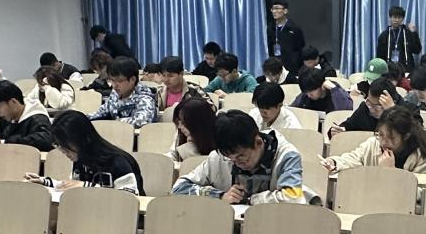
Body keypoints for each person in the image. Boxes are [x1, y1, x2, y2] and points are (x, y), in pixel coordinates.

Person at [172, 109, 312, 205]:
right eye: (230, 158)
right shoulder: (220, 157)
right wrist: (220, 195)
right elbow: (179, 188)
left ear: (258, 142)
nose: (236, 163)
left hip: (275, 225)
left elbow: (293, 198)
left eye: (242, 157)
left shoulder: (287, 156)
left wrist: (250, 200)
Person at [29, 111, 142, 192]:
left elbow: (128, 198)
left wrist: (87, 187)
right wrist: (44, 182)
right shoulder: (80, 159)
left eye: (66, 146)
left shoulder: (118, 162)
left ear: (83, 139)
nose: (64, 152)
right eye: (60, 146)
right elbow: (73, 185)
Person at [322, 105, 426, 175]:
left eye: (391, 138)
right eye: (381, 135)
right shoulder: (374, 143)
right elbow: (354, 158)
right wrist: (334, 163)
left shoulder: (423, 155)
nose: (384, 142)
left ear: (406, 136)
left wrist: (390, 172)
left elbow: (419, 193)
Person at [0, 80, 54, 151]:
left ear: (13, 102)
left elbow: (45, 140)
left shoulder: (37, 118)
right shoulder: (10, 118)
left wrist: (5, 143)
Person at [89, 57, 158, 128]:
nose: (114, 85)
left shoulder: (145, 98)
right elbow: (101, 112)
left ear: (132, 79)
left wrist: (111, 123)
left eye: (119, 81)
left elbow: (141, 121)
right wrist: (84, 119)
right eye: (112, 80)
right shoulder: (115, 94)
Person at [329, 77, 400, 138]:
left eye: (377, 107)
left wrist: (393, 112)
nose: (372, 110)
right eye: (369, 103)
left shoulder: (402, 112)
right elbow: (347, 125)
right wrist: (336, 131)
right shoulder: (364, 109)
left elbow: (404, 138)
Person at [170, 96, 218, 162]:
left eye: (183, 123)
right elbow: (172, 156)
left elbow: (203, 165)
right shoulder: (180, 135)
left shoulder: (218, 140)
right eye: (178, 122)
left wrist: (189, 148)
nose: (179, 127)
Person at [267, 0, 306, 76]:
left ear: (285, 11)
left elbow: (300, 48)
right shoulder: (271, 28)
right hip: (276, 68)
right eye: (273, 9)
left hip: (292, 68)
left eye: (277, 8)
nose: (274, 11)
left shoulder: (294, 28)